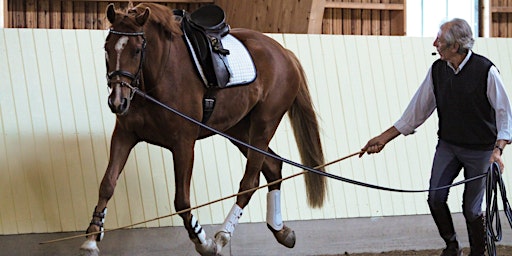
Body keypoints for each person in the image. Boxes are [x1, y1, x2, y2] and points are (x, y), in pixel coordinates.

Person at [359, 18, 512, 256]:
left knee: (471, 210)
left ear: (455, 47)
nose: (434, 44)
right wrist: (383, 138)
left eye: (439, 41)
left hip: (481, 151)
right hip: (448, 146)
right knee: (435, 198)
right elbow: (416, 112)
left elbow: (504, 114)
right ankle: (452, 245)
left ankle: (479, 252)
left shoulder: (486, 71)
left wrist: (498, 150)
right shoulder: (437, 70)